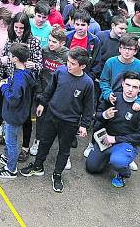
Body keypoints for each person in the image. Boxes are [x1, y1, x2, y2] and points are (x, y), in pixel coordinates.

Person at [21, 47, 93, 192]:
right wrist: (42, 103)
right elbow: (50, 90)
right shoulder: (60, 72)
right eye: (68, 61)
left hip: (70, 122)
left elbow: (88, 107)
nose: (68, 65)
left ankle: (57, 174)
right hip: (52, 115)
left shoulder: (87, 83)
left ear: (82, 66)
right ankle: (37, 166)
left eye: (73, 64)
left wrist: (84, 125)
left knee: (64, 149)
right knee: (44, 142)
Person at [85, 70, 140, 188]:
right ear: (122, 84)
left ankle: (123, 172)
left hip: (126, 143)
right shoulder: (113, 98)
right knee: (91, 167)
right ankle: (110, 157)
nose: (130, 89)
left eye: (135, 87)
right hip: (106, 139)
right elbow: (96, 115)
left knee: (118, 161)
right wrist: (105, 115)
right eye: (128, 85)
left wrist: (115, 139)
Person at [0, 42, 36, 178]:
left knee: (11, 142)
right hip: (15, 113)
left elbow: (13, 98)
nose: (9, 56)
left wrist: (3, 86)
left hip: (14, 115)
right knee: (8, 138)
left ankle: (11, 169)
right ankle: (6, 157)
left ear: (15, 59)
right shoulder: (25, 73)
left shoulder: (19, 78)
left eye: (11, 55)